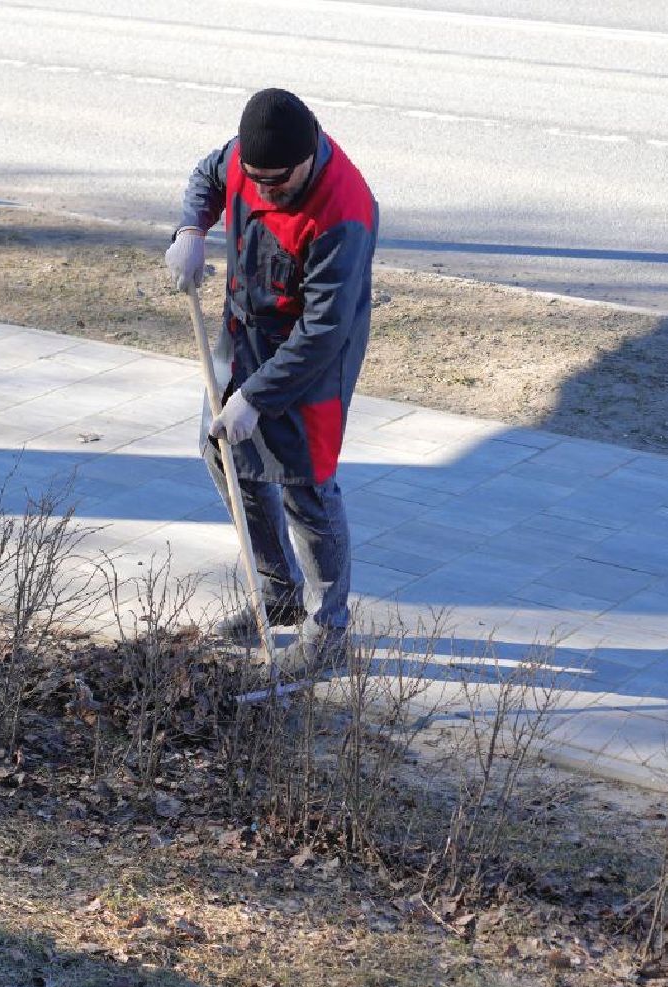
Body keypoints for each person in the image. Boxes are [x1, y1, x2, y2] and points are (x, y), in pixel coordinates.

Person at [165, 88, 379, 674]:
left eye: (275, 184)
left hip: (313, 354)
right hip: (246, 330)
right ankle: (277, 591)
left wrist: (257, 397)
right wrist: (191, 230)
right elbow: (208, 177)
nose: (261, 192)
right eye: (254, 179)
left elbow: (325, 327)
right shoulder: (249, 159)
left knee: (304, 482)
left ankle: (329, 629)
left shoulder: (344, 211)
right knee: (222, 452)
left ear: (306, 158)